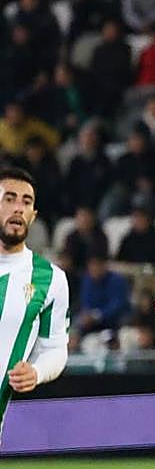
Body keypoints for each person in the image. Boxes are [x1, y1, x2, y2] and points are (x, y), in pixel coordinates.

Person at [0, 167, 70, 442]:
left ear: (34, 215)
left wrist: (37, 372)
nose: (18, 208)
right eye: (9, 198)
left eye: (26, 202)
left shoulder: (50, 279)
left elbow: (55, 348)